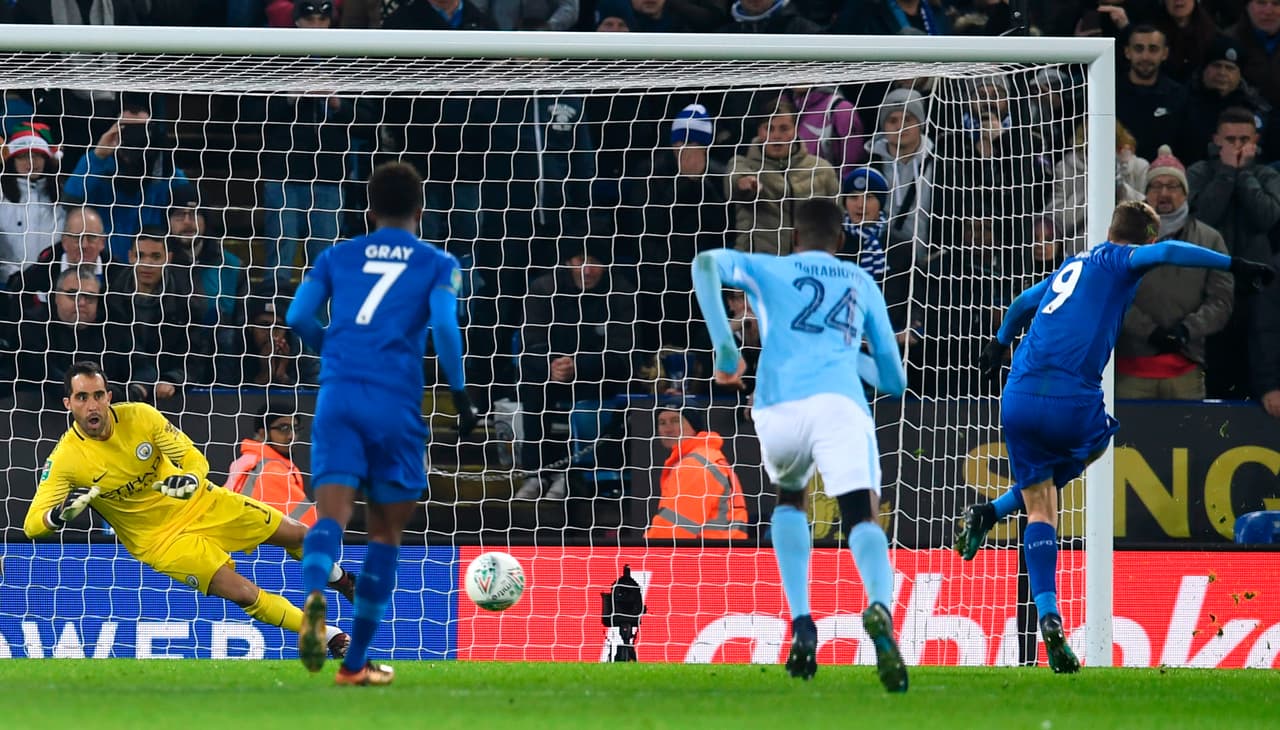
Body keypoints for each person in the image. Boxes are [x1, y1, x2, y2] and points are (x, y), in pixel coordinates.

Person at [954, 201, 1276, 673]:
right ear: (1141, 239)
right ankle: (1000, 517)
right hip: (1070, 398)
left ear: (1107, 229)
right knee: (1102, 440)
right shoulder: (1119, 259)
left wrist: (1000, 342)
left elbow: (1023, 303)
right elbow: (1166, 251)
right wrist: (1235, 264)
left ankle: (1042, 604)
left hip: (1018, 394)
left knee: (1039, 503)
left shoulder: (1072, 265)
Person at [691, 198, 909, 692]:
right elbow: (894, 381)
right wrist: (849, 357)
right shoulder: (861, 282)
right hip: (839, 404)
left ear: (794, 239)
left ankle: (802, 622)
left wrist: (725, 346)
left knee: (791, 498)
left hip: (777, 406)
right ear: (841, 241)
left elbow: (704, 263)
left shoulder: (768, 268)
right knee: (861, 513)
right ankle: (878, 607)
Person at [285, 161, 478, 686]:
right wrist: (461, 400)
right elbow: (443, 325)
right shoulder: (438, 262)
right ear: (420, 211)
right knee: (385, 535)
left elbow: (297, 318)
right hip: (394, 404)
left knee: (330, 520)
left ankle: (314, 596)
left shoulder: (335, 255)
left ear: (368, 210)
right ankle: (353, 666)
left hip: (339, 396)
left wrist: (336, 355)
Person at [23, 361, 357, 658]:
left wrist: (191, 480)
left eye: (97, 395)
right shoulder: (66, 458)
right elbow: (32, 525)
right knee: (242, 593)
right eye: (82, 398)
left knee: (298, 535)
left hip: (201, 502)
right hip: (160, 541)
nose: (91, 405)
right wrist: (57, 516)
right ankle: (330, 636)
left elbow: (194, 458)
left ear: (109, 396)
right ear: (68, 404)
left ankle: (342, 581)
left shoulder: (141, 416)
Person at [645, 406, 749, 541]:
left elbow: (674, 532)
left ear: (694, 427)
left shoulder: (695, 465)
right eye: (662, 423)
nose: (668, 428)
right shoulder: (708, 456)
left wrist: (647, 559)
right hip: (723, 552)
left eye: (676, 421)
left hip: (707, 556)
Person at [227, 401, 316, 526]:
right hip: (257, 544)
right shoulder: (270, 469)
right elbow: (309, 524)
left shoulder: (246, 460)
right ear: (263, 433)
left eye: (295, 429)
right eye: (283, 428)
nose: (292, 436)